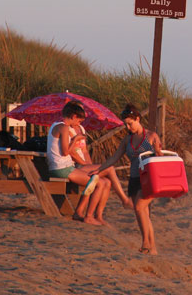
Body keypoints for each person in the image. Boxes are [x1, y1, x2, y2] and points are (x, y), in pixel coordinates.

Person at [95, 104, 163, 254]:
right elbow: (114, 158)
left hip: (149, 179)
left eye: (130, 123)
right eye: (125, 124)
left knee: (139, 207)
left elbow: (160, 157)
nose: (127, 127)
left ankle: (145, 243)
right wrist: (98, 170)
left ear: (137, 119)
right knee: (142, 212)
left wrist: (158, 153)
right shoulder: (127, 140)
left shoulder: (151, 136)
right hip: (134, 179)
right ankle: (153, 248)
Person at [47, 101, 110, 225]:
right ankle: (89, 216)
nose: (78, 124)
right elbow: (66, 152)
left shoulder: (56, 125)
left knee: (103, 181)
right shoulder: (64, 127)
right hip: (62, 168)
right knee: (99, 182)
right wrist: (75, 139)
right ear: (74, 116)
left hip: (62, 166)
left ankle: (85, 213)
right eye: (79, 121)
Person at [69, 123, 133, 210]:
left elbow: (84, 151)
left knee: (107, 182)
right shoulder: (67, 130)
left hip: (83, 164)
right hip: (75, 165)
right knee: (109, 168)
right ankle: (124, 199)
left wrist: (90, 165)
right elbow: (71, 152)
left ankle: (98, 215)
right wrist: (84, 164)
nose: (79, 121)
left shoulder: (81, 129)